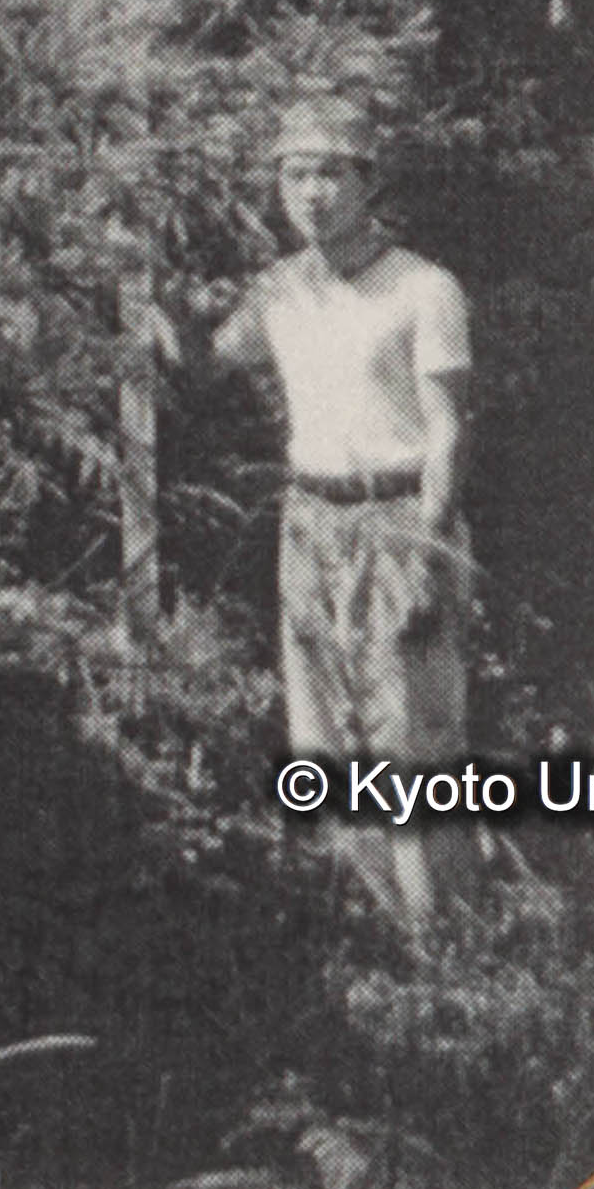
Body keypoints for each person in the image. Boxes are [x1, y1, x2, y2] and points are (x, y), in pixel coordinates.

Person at [211, 91, 474, 932]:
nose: (311, 193)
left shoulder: (423, 288)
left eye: (329, 174)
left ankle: (440, 937)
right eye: (294, 176)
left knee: (412, 731)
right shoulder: (278, 290)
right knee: (319, 726)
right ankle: (363, 926)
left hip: (398, 519)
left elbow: (447, 431)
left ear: (367, 181)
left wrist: (430, 549)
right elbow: (210, 352)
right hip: (309, 521)